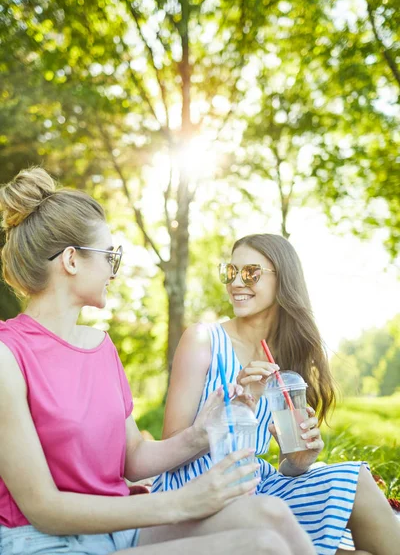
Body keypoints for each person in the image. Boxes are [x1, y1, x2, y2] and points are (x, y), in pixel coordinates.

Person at [0, 170, 317, 555]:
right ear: (71, 260)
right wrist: (181, 503)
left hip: (120, 532)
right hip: (40, 542)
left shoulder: (100, 346)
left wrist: (203, 430)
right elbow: (44, 508)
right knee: (261, 547)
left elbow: (134, 458)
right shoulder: (7, 355)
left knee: (270, 515)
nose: (113, 272)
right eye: (109, 256)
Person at [152, 233, 400, 555]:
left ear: (282, 280)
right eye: (231, 272)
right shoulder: (203, 340)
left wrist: (300, 459)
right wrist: (237, 403)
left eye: (251, 273)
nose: (237, 283)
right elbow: (171, 451)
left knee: (358, 480)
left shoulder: (284, 356)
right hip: (200, 489)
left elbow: (287, 465)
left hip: (258, 486)